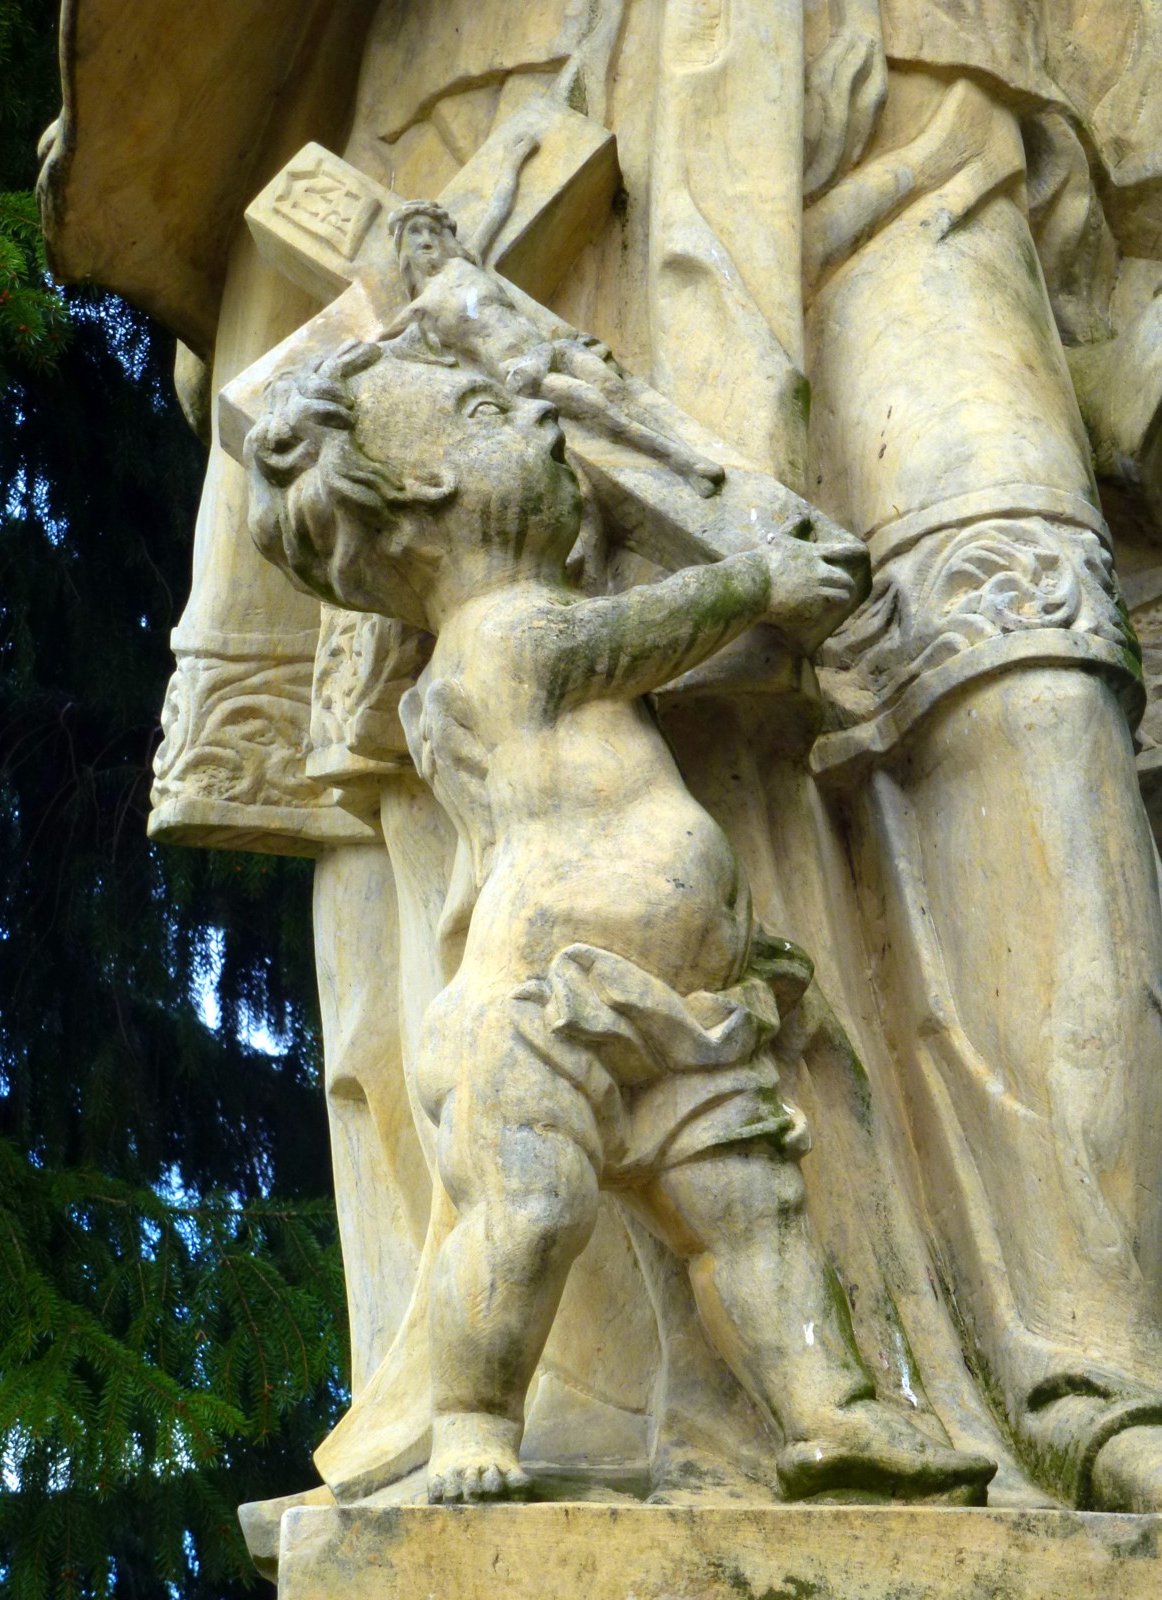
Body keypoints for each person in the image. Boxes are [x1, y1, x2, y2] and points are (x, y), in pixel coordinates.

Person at [243, 334, 996, 1505]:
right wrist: (758, 582)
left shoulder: (483, 651)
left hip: (672, 1008)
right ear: (428, 490)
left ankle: (831, 1414)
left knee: (752, 1213)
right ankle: (473, 1418)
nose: (546, 426)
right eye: (491, 410)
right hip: (542, 1015)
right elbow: (626, 639)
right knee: (531, 1214)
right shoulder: (506, 631)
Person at [381, 199, 726, 496]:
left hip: (550, 349)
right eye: (415, 233)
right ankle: (682, 463)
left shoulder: (467, 266)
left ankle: (688, 451)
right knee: (598, 407)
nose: (426, 239)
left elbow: (497, 213)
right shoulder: (420, 310)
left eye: (432, 230)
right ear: (403, 249)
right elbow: (380, 351)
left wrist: (516, 159)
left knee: (615, 391)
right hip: (522, 372)